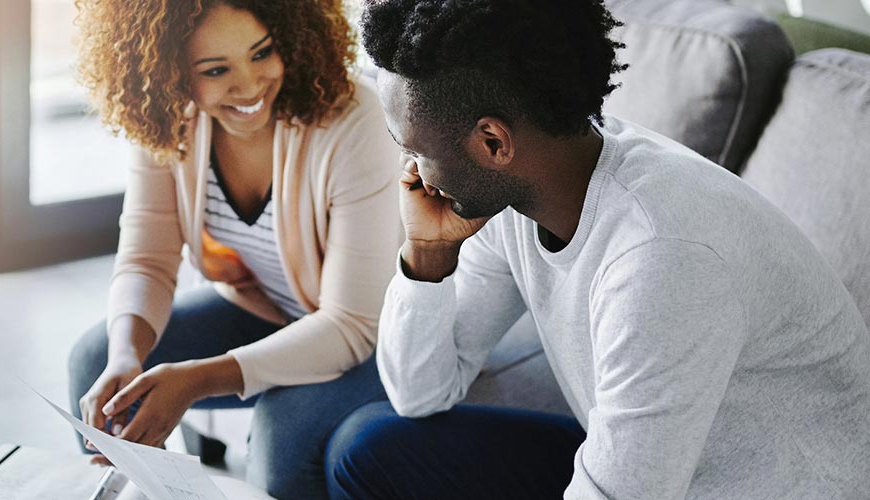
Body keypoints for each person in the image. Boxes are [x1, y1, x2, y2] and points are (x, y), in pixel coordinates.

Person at [324, 0, 870, 498]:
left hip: (769, 488)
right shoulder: (524, 185)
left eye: (415, 147)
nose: (412, 172)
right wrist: (426, 255)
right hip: (661, 473)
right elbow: (421, 394)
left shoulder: (662, 256)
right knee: (369, 446)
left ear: (493, 143)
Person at [66, 0, 402, 498]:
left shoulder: (354, 119)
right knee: (96, 359)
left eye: (262, 52)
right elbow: (146, 260)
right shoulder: (169, 119)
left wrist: (197, 379)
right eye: (216, 69)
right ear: (169, 73)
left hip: (380, 338)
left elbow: (352, 324)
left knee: (281, 432)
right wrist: (125, 355)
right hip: (272, 311)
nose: (248, 85)